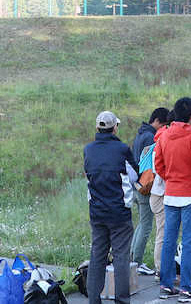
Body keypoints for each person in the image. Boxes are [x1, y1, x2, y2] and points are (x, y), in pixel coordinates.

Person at [155, 97, 191, 302]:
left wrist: (170, 178)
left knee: (169, 240)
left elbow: (158, 163)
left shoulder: (165, 135)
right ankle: (186, 288)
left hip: (171, 193)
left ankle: (166, 285)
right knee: (188, 242)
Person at [84, 111, 138, 304]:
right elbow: (134, 176)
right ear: (115, 128)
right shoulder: (122, 149)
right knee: (121, 256)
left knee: (97, 255)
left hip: (97, 212)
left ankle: (93, 300)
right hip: (119, 212)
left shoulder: (88, 150)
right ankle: (121, 300)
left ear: (97, 128)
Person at [131, 107, 170, 275]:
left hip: (137, 184)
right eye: (164, 125)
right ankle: (137, 262)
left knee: (141, 223)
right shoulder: (150, 136)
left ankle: (132, 261)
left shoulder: (141, 133)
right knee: (146, 225)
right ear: (158, 122)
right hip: (146, 185)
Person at [148, 111, 174, 273]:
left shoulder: (159, 138)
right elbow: (161, 170)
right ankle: (161, 270)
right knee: (163, 235)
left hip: (158, 193)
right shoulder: (163, 141)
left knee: (164, 234)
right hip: (160, 194)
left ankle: (163, 268)